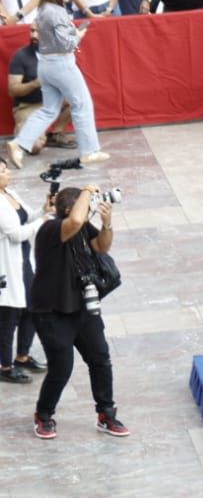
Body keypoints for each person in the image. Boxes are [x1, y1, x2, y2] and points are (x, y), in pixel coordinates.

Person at [27, 183, 125, 440]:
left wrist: (106, 223)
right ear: (70, 209)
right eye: (85, 204)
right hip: (51, 311)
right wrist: (87, 189)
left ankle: (106, 413)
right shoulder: (50, 229)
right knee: (62, 368)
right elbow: (77, 218)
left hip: (82, 308)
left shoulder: (81, 228)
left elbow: (102, 247)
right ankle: (44, 414)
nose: (89, 207)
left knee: (100, 358)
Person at [5, 0, 101, 168]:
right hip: (61, 63)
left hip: (46, 64)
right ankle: (89, 151)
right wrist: (78, 36)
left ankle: (19, 143)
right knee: (82, 104)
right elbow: (66, 43)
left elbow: (56, 38)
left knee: (49, 110)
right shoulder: (57, 12)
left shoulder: (42, 10)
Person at [0, 161, 46, 382]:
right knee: (9, 316)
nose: (7, 173)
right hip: (7, 266)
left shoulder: (10, 192)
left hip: (24, 261)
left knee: (32, 309)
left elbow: (28, 217)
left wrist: (45, 210)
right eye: (2, 171)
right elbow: (17, 234)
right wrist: (43, 221)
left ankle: (22, 355)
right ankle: (5, 366)